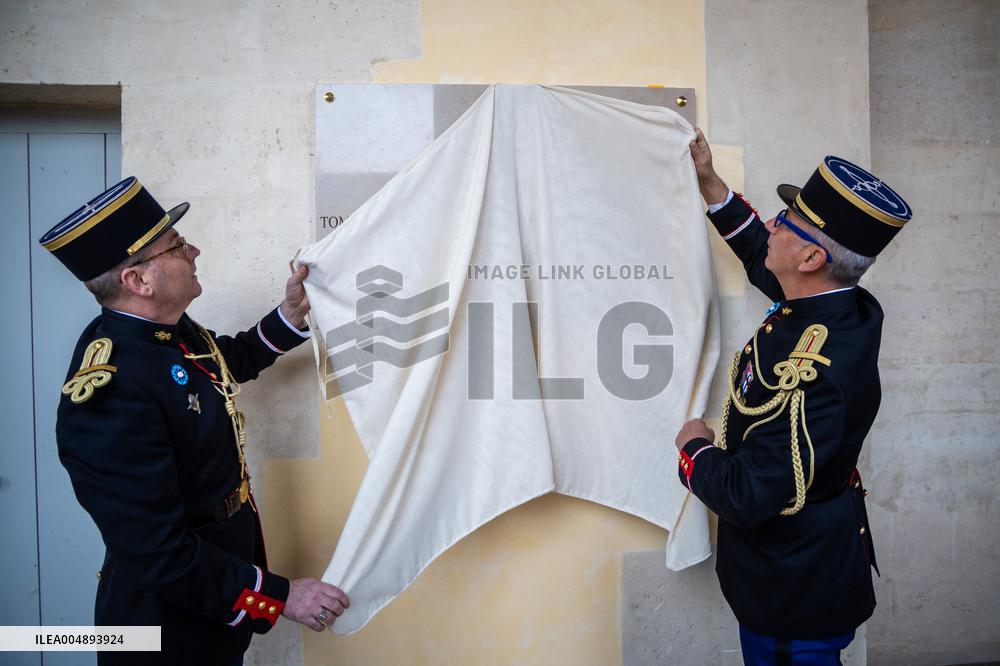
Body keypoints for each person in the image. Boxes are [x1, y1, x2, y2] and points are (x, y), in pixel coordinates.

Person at [39, 177, 349, 665]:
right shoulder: (111, 391)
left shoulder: (166, 334)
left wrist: (289, 314)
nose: (195, 250)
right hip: (163, 631)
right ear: (139, 281)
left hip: (211, 606)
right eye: (178, 247)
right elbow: (158, 553)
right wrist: (280, 596)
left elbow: (222, 365)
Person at [675, 130, 912, 665]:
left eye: (787, 222)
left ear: (810, 258)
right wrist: (712, 185)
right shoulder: (836, 304)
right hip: (805, 567)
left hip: (794, 586)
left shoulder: (816, 374)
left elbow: (747, 495)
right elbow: (763, 255)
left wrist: (695, 450)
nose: (774, 225)